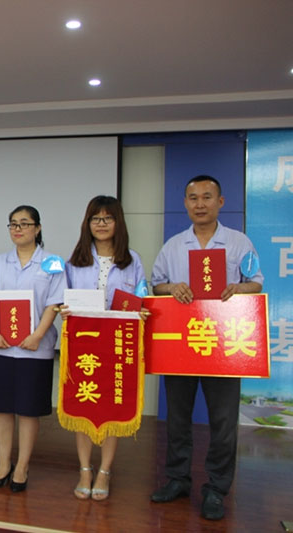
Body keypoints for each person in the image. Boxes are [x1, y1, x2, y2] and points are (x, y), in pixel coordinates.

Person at [150, 175, 263, 521]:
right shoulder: (173, 246)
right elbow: (156, 284)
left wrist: (237, 288)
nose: (200, 204)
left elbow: (256, 283)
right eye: (193, 198)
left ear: (220, 202)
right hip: (182, 344)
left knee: (224, 421)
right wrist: (172, 287)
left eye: (207, 197)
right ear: (185, 203)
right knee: (177, 417)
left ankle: (216, 488)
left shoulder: (239, 242)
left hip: (225, 345)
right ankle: (178, 479)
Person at [0, 205, 66, 492]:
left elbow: (54, 304)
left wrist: (38, 335)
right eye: (13, 224)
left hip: (35, 348)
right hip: (1, 347)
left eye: (25, 224)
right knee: (1, 409)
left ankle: (22, 466)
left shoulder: (52, 263)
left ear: (37, 228)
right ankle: (4, 464)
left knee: (28, 410)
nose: (18, 229)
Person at [64, 195, 147, 501]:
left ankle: (105, 471)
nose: (101, 224)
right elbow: (64, 298)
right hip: (83, 343)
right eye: (95, 219)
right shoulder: (74, 261)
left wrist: (142, 311)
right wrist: (64, 310)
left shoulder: (132, 260)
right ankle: (85, 469)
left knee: (111, 406)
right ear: (87, 223)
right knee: (83, 404)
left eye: (107, 218)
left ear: (117, 222)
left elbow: (142, 297)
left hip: (116, 345)